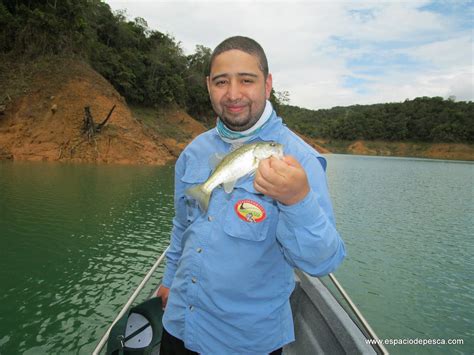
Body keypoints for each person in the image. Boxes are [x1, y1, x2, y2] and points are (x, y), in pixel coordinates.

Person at [157, 35, 346, 355]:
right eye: (220, 82)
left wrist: (297, 200)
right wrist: (168, 278)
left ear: (267, 84)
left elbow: (323, 261)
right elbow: (181, 227)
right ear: (208, 86)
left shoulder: (300, 160)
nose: (233, 94)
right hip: (179, 324)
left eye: (246, 80)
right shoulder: (193, 152)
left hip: (245, 343)